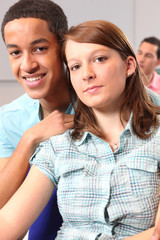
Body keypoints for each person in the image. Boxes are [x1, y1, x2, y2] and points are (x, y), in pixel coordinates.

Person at [0, 19, 160, 240]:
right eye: (75, 66)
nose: (87, 74)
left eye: (99, 59)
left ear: (129, 66)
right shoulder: (57, 146)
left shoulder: (157, 137)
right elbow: (7, 223)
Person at [0, 0, 74, 239]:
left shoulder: (106, 101)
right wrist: (30, 138)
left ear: (63, 46)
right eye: (15, 53)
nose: (28, 65)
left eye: (39, 48)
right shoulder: (10, 119)